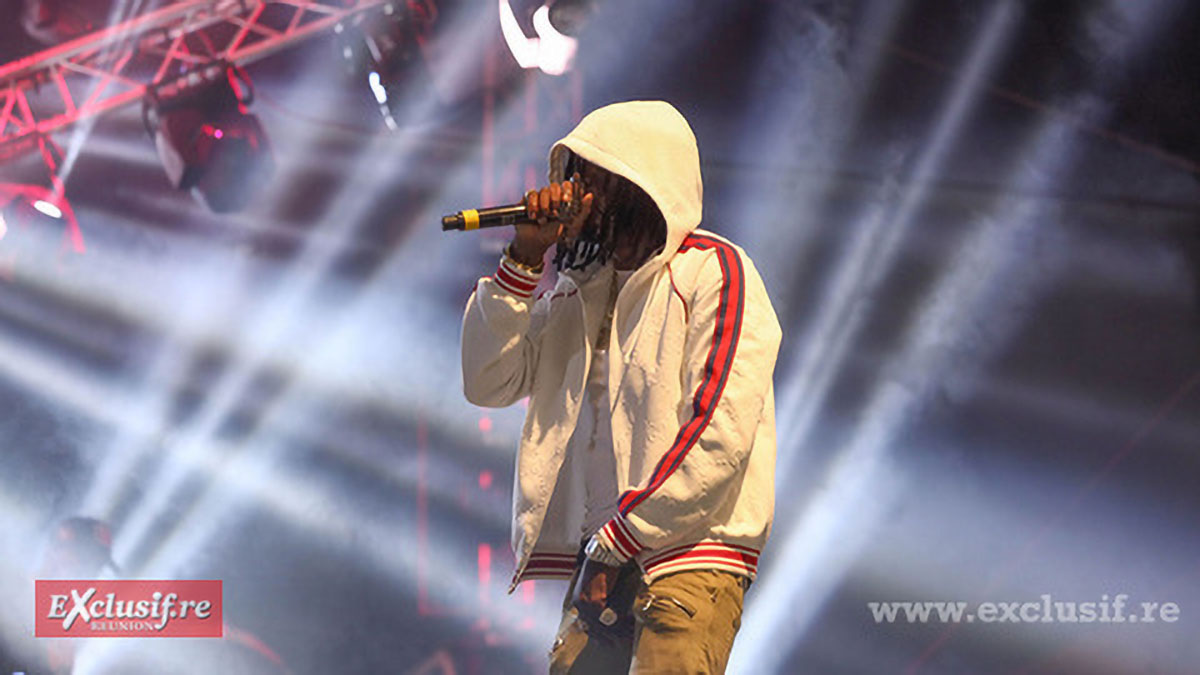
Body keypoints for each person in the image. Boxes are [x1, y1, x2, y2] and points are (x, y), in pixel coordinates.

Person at [461, 100, 781, 673]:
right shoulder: (577, 292)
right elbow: (488, 381)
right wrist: (525, 258)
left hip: (684, 560)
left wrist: (619, 540)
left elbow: (719, 431)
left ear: (643, 181)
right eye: (572, 174)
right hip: (600, 558)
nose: (574, 191)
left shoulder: (713, 271)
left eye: (593, 176)